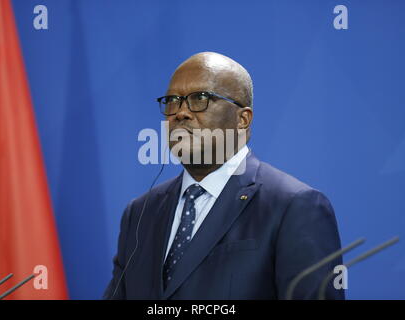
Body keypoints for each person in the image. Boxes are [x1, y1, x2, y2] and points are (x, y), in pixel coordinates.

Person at [103, 52, 344, 300]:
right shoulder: (140, 213)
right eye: (173, 100)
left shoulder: (294, 206)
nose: (181, 113)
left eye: (200, 98)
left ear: (242, 119)